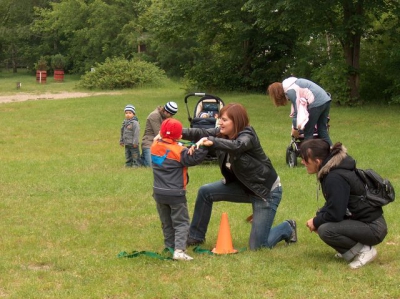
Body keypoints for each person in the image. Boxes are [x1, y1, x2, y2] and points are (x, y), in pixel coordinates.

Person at [183, 103, 297, 250]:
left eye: (224, 120)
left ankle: (288, 227)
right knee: (205, 192)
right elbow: (200, 132)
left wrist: (213, 142)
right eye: (220, 119)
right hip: (243, 187)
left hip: (265, 192)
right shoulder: (222, 133)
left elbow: (237, 145)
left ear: (236, 121)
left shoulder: (248, 135)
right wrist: (175, 132)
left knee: (258, 247)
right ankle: (195, 237)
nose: (220, 123)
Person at [299, 139, 388, 269]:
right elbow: (334, 204)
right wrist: (319, 217)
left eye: (305, 160)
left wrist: (316, 221)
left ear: (317, 161)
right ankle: (349, 249)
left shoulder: (334, 177)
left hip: (373, 228)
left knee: (325, 229)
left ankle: (364, 251)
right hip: (366, 222)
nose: (302, 162)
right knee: (321, 218)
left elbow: (335, 214)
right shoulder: (334, 170)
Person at [151, 118, 208, 261]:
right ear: (180, 136)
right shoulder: (180, 151)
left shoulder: (154, 146)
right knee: (181, 223)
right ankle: (179, 251)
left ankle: (169, 246)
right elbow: (194, 158)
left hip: (158, 193)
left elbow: (159, 139)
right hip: (176, 194)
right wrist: (204, 146)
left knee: (167, 222)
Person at [268, 77, 332, 146]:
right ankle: (333, 152)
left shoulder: (290, 90)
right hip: (326, 100)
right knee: (322, 130)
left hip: (316, 103)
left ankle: (309, 155)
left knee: (308, 133)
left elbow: (297, 111)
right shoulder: (294, 83)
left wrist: (295, 129)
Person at [141, 101, 178, 167]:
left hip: (161, 144)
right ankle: (139, 159)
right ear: (165, 110)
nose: (170, 116)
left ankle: (143, 158)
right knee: (152, 166)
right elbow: (159, 134)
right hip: (149, 142)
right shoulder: (154, 116)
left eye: (171, 115)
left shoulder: (167, 117)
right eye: (170, 114)